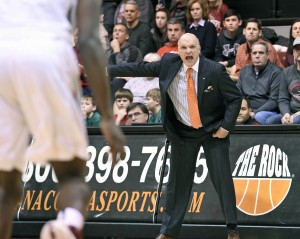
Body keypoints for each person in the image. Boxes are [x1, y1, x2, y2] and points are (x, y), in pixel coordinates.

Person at [0, 1, 126, 239]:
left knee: (5, 186)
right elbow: (88, 40)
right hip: (46, 53)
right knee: (71, 175)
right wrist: (108, 117)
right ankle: (68, 224)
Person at [108, 33, 242, 239]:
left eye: (192, 47)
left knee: (222, 179)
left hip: (212, 132)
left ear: (199, 49)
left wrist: (226, 127)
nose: (188, 51)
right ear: (177, 50)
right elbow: (139, 68)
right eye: (183, 47)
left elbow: (235, 99)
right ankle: (168, 232)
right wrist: (106, 70)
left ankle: (232, 229)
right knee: (177, 185)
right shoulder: (168, 64)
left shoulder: (214, 70)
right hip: (184, 132)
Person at [236, 41, 282, 125]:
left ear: (267, 55)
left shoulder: (276, 72)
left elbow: (274, 101)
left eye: (261, 53)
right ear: (251, 55)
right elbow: (238, 94)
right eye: (254, 53)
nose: (257, 56)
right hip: (245, 109)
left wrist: (254, 112)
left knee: (259, 116)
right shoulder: (244, 71)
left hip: (267, 111)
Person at [266, 38, 300, 125]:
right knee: (270, 122)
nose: (299, 51)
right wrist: (286, 113)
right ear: (293, 52)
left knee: (294, 121)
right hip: (292, 112)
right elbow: (283, 98)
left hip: (297, 114)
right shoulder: (286, 72)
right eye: (297, 49)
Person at [107, 23, 143, 95]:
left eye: (120, 31)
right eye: (115, 31)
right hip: (112, 80)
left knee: (117, 81)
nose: (117, 33)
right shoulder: (109, 51)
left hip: (128, 81)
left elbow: (124, 70)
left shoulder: (133, 50)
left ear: (126, 36)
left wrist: (117, 50)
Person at [214, 9, 245, 78]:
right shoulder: (220, 37)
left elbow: (243, 58)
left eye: (233, 20)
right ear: (224, 23)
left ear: (239, 22)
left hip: (239, 67)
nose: (230, 23)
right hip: (224, 66)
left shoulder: (244, 36)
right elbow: (217, 54)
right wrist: (220, 62)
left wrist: (228, 63)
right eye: (228, 20)